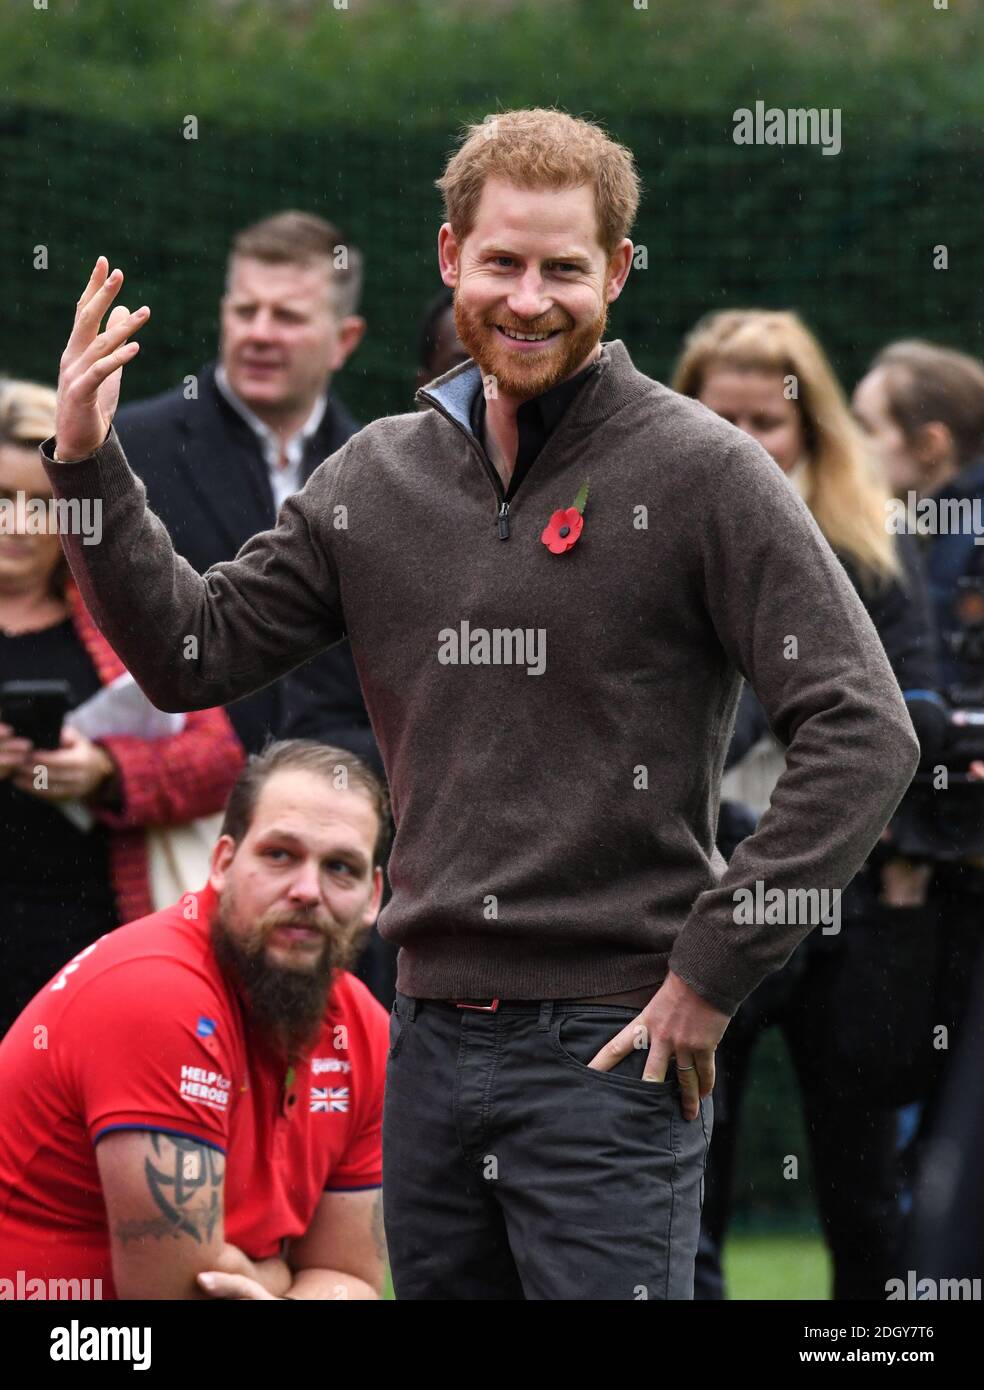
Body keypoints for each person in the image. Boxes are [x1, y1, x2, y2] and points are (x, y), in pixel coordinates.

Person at [42, 107, 920, 1301]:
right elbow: (193, 651)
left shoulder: (708, 471)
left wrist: (712, 970)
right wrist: (90, 461)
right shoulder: (378, 475)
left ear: (616, 271)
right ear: (451, 256)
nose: (529, 297)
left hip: (616, 1043)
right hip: (429, 1036)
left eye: (565, 267)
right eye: (502, 261)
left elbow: (866, 730)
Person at [673, 308, 945, 1301]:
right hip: (707, 899)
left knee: (866, 1194)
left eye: (768, 420)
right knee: (687, 1183)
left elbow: (911, 720)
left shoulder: (873, 551)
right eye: (719, 413)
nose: (745, 439)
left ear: (809, 430)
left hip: (848, 905)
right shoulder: (650, 540)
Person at [0, 740, 390, 1301]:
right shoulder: (159, 995)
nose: (307, 891)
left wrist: (264, 1285)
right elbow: (175, 1293)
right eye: (280, 855)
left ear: (374, 896)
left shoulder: (367, 1032)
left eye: (340, 868)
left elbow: (351, 1280)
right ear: (223, 862)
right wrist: (277, 1276)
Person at [0, 379, 244, 1035]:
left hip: (91, 942)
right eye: (1, 502)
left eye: (40, 505)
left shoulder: (116, 620)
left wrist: (108, 772)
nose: (19, 526)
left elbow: (219, 757)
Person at [113, 210, 375, 765]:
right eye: (245, 310)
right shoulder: (130, 447)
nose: (259, 332)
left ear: (343, 340)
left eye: (287, 316)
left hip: (337, 810)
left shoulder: (382, 470)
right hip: (169, 811)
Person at [853, 340, 984, 1221]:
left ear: (928, 442)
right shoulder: (903, 540)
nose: (852, 447)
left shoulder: (950, 544)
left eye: (868, 428)